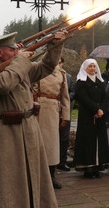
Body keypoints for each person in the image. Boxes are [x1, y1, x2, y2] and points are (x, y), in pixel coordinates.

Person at [0, 31, 67, 208]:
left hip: (29, 127)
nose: (16, 52)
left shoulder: (17, 66)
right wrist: (20, 61)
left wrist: (55, 45)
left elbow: (47, 67)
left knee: (33, 174)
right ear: (0, 52)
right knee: (9, 179)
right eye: (12, 49)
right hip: (6, 131)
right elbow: (2, 84)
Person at [33, 59, 70, 189]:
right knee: (37, 144)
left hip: (54, 110)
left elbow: (65, 97)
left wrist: (65, 115)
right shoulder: (37, 70)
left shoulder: (61, 74)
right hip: (38, 109)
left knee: (52, 145)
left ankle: (51, 174)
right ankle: (37, 176)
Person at [73, 58, 109, 178]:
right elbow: (83, 98)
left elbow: (105, 97)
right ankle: (88, 168)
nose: (92, 68)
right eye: (90, 66)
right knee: (88, 141)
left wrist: (102, 110)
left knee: (99, 140)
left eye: (94, 66)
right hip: (87, 115)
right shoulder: (81, 82)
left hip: (100, 116)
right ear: (85, 68)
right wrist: (95, 109)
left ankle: (98, 166)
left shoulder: (101, 82)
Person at [57, 57, 74, 172]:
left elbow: (73, 91)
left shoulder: (68, 77)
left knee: (64, 138)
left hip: (64, 111)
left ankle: (62, 161)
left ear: (62, 63)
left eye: (60, 63)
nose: (58, 65)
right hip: (51, 110)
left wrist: (66, 98)